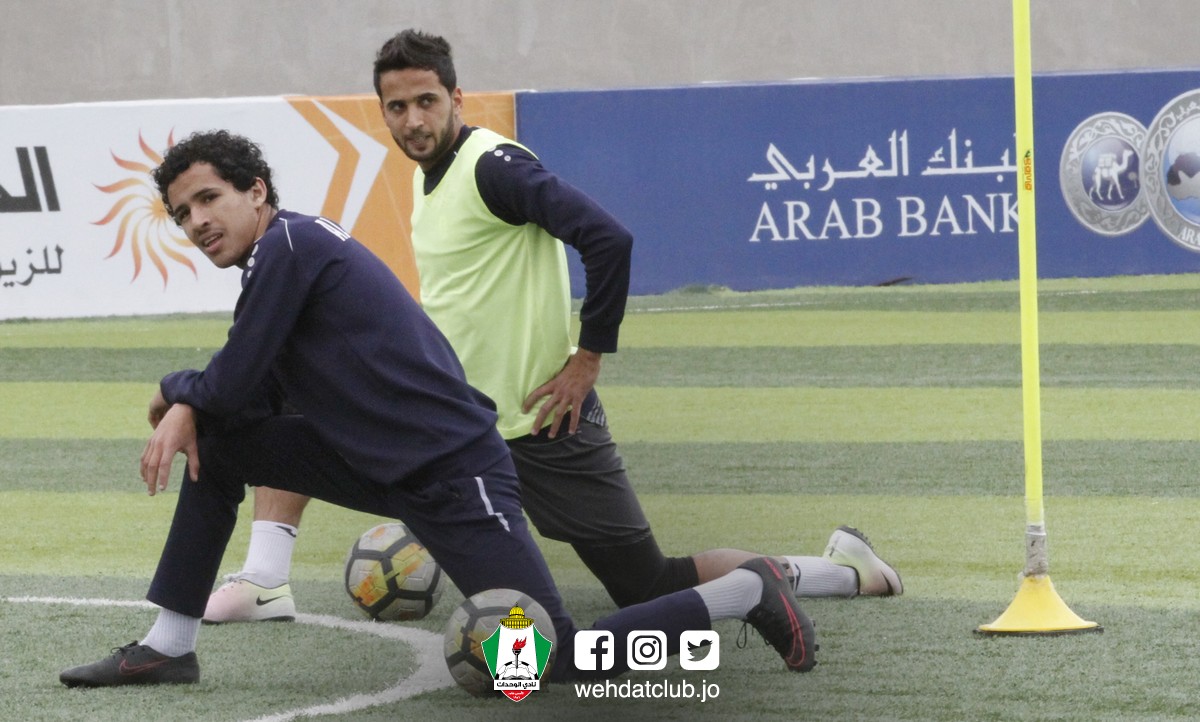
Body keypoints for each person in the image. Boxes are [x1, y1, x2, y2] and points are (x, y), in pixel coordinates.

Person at [58, 130, 815, 688]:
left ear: (256, 191)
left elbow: (228, 383)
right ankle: (168, 645)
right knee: (219, 444)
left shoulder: (289, 248)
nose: (196, 222)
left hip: (454, 474)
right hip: (378, 464)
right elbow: (246, 393)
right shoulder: (280, 256)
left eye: (208, 199)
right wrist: (195, 409)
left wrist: (175, 392)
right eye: (181, 214)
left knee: (544, 659)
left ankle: (742, 592)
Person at [203, 29, 902, 626]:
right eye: (398, 107)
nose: (413, 119)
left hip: (540, 424)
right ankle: (266, 577)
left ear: (456, 98)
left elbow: (608, 239)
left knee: (645, 584)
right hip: (457, 427)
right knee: (306, 402)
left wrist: (586, 360)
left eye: (426, 101)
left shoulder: (493, 167)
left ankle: (841, 571)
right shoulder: (425, 175)